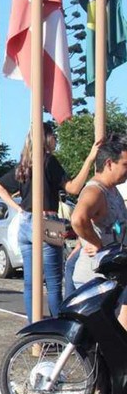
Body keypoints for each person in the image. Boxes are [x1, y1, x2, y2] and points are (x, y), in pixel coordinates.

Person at [0, 124, 99, 322]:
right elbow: (74, 188)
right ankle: (57, 335)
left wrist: (18, 209)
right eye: (54, 136)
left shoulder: (24, 163)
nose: (56, 140)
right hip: (47, 221)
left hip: (25, 223)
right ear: (47, 138)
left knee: (30, 283)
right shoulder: (49, 161)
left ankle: (34, 335)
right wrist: (90, 158)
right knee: (52, 283)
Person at [70, 137, 127, 331]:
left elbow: (115, 226)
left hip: (112, 277)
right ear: (109, 163)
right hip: (96, 278)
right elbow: (78, 219)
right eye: (125, 164)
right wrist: (96, 244)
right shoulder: (95, 190)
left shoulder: (112, 189)